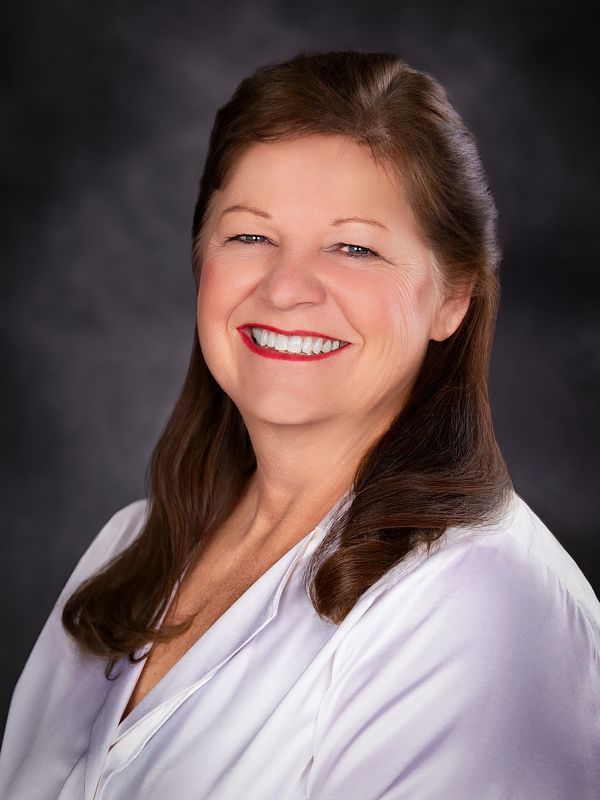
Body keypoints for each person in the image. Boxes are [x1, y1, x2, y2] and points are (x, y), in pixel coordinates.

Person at [1, 49, 598, 800]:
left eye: (355, 247)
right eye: (249, 235)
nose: (286, 289)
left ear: (453, 298)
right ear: (199, 257)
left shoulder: (488, 603)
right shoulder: (128, 551)